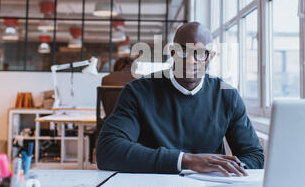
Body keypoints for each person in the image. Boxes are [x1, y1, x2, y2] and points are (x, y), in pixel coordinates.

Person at [96, 22, 264, 176]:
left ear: (210, 56)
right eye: (183, 51)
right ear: (172, 52)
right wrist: (186, 161)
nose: (191, 61)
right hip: (152, 186)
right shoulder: (138, 92)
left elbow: (255, 157)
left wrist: (226, 169)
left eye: (200, 53)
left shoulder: (227, 96)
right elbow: (108, 150)